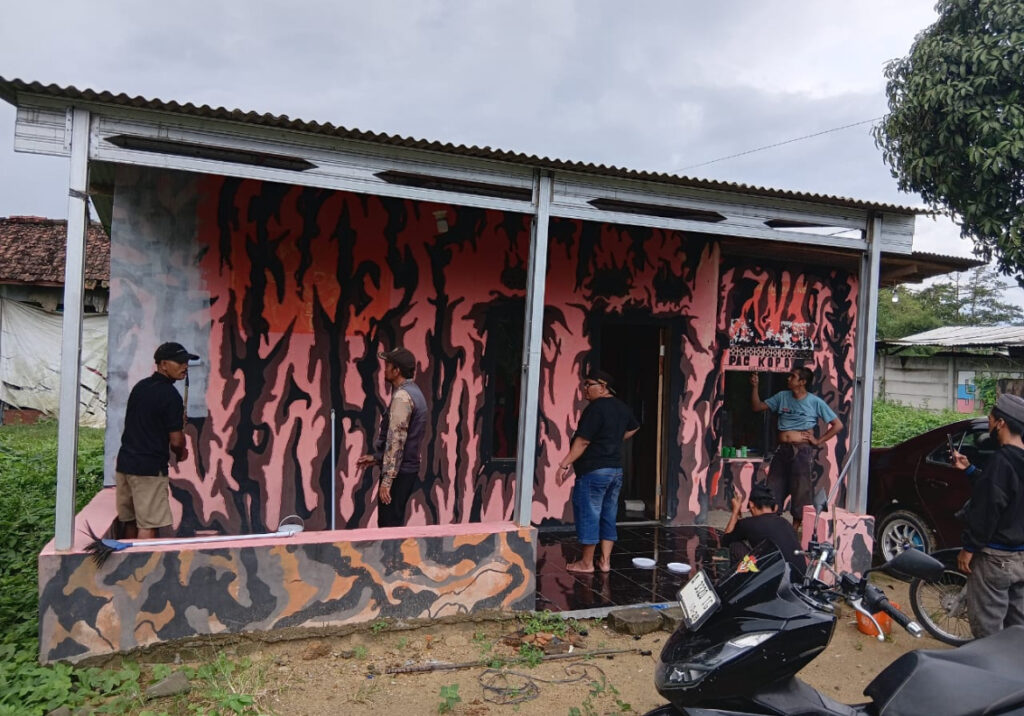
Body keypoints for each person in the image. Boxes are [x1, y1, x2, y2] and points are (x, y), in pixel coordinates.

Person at [951, 393, 1024, 638]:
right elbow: (1005, 492)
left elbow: (987, 509)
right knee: (1018, 628)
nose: (989, 424)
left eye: (991, 420)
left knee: (988, 630)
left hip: (995, 559)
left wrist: (969, 548)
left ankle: (991, 663)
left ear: (1001, 423)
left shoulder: (1001, 461)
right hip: (1021, 557)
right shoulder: (1015, 462)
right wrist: (970, 469)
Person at [557, 370, 639, 573]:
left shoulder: (595, 408)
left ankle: (586, 564)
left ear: (602, 387)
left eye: (589, 384)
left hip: (594, 471)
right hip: (615, 471)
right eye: (584, 384)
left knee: (589, 514)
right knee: (608, 515)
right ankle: (605, 561)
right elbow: (634, 427)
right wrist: (613, 439)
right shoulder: (622, 407)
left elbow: (583, 441)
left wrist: (564, 464)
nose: (584, 389)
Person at [115, 342, 198, 539]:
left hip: (125, 465)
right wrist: (182, 452)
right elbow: (176, 441)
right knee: (148, 525)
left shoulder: (140, 387)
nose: (185, 366)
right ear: (163, 364)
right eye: (179, 362)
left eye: (186, 362)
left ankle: (128, 560)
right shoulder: (171, 396)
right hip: (149, 470)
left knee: (131, 521)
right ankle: (144, 561)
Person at [750, 367, 843, 531]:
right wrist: (755, 386)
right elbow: (757, 407)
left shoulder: (815, 402)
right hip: (782, 450)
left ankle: (793, 531)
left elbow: (837, 425)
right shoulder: (782, 396)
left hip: (802, 451)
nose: (788, 379)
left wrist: (818, 440)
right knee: (773, 487)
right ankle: (773, 526)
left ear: (802, 382)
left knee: (800, 490)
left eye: (793, 376)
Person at [356, 347, 427, 528]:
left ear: (397, 370)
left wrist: (387, 479)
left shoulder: (403, 397)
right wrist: (377, 458)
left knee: (389, 528)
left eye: (388, 365)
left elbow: (396, 440)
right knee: (393, 523)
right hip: (406, 470)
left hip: (399, 473)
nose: (385, 369)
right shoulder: (415, 392)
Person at [721, 483, 806, 578]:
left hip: (776, 580)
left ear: (751, 504)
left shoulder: (748, 524)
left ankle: (734, 583)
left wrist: (735, 511)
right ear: (774, 507)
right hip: (800, 579)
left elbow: (725, 541)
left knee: (735, 546)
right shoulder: (785, 523)